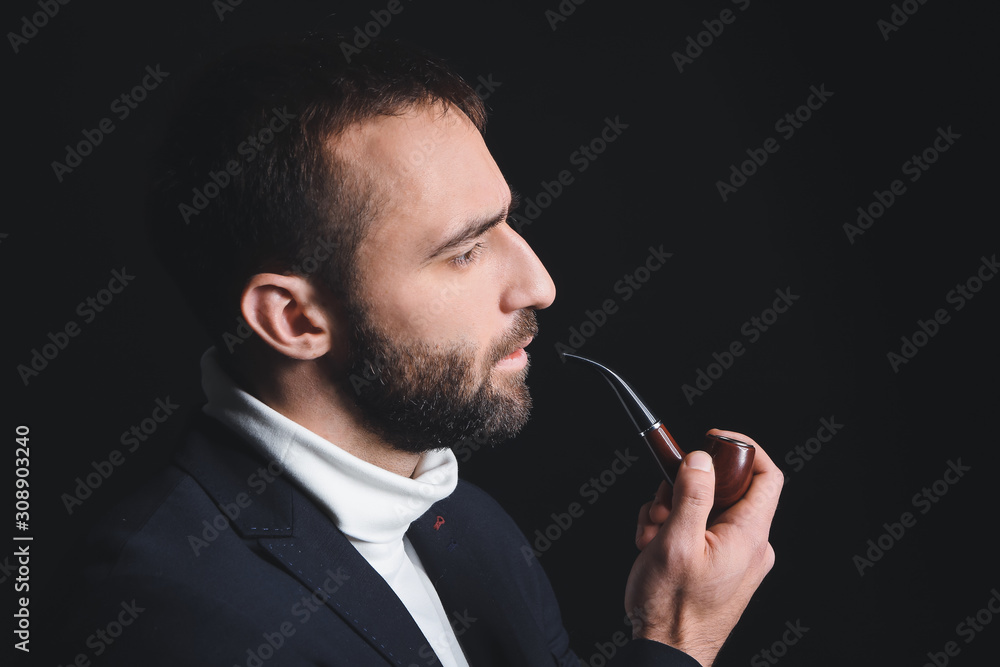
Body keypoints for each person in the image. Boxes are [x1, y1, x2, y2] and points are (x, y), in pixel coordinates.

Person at [64, 34, 782, 666]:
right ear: (291, 318)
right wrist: (675, 637)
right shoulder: (168, 603)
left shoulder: (467, 523)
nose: (540, 284)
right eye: (465, 251)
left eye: (506, 223)